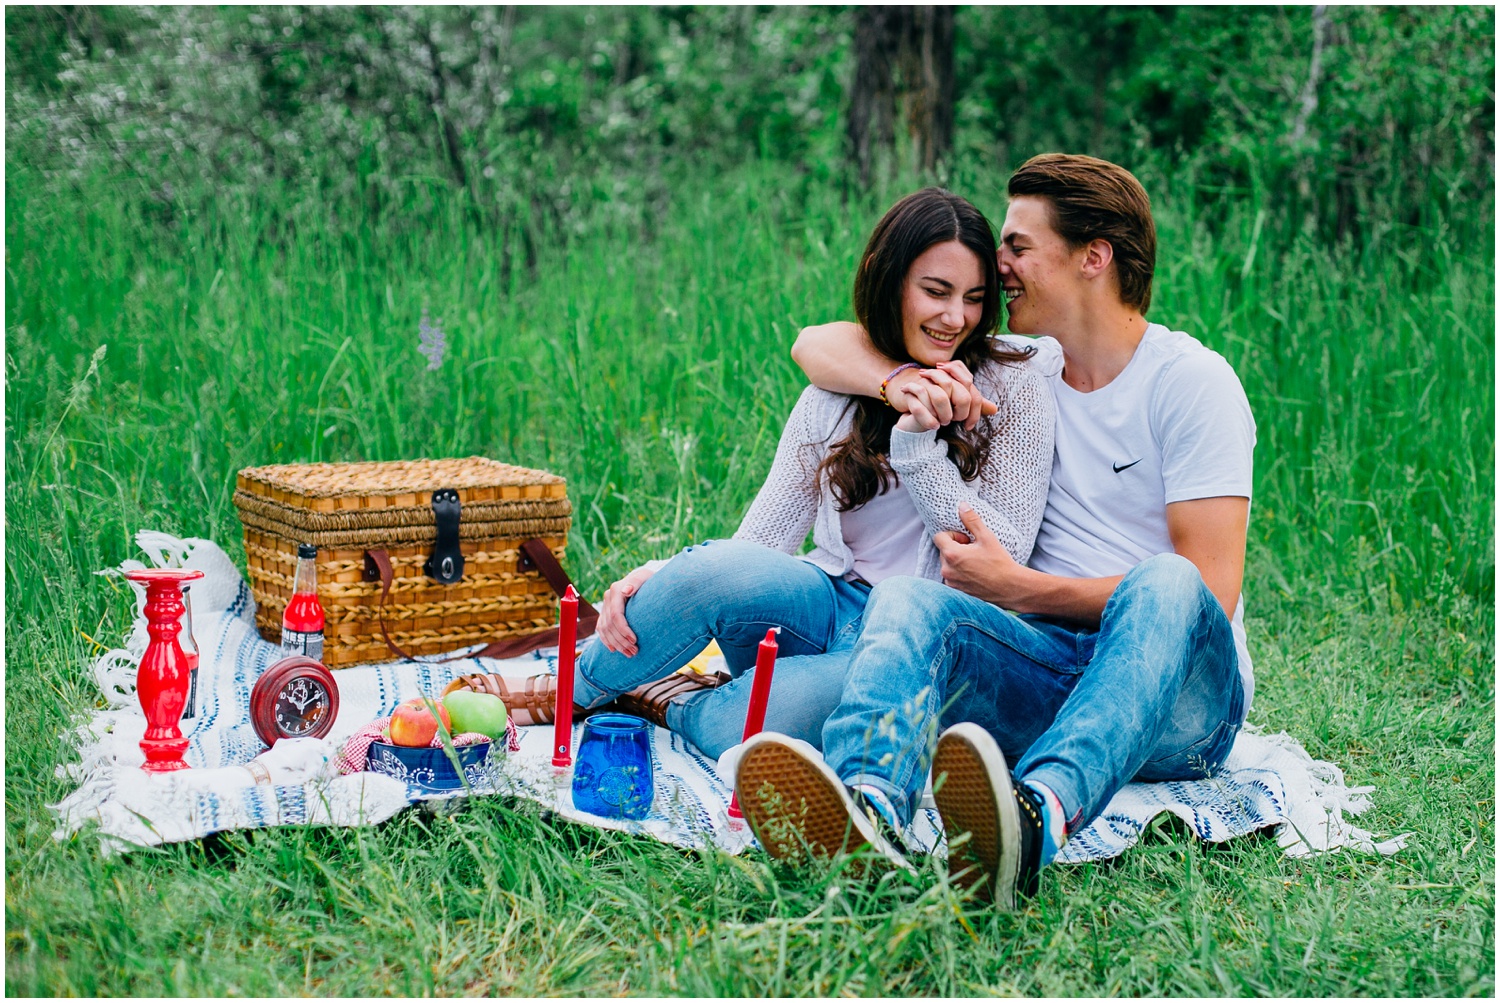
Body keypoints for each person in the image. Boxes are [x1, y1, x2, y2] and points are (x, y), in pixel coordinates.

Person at [733, 154, 1256, 910]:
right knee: (912, 600)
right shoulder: (1016, 371)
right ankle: (867, 815)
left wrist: (1024, 588)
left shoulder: (1190, 383)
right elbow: (820, 340)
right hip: (1045, 667)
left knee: (1166, 578)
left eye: (1016, 246)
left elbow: (1210, 588)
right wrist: (895, 387)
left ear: (1092, 256)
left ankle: (1039, 815)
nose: (997, 266)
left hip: (1180, 699)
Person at [469, 188, 1054, 761]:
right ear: (888, 279)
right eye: (935, 291)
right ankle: (570, 690)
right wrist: (672, 576)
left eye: (974, 298)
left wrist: (919, 450)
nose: (955, 317)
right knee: (709, 572)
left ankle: (668, 699)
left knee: (749, 720)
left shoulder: (1014, 387)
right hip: (828, 604)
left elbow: (1001, 555)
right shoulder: (839, 393)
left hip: (919, 640)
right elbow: (759, 545)